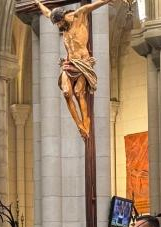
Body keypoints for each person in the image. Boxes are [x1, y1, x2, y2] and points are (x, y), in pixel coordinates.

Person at [35, 0, 113, 139]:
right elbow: (47, 13)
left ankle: (86, 121)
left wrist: (106, 1)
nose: (58, 26)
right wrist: (38, 3)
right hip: (69, 62)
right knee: (66, 92)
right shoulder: (60, 23)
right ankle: (79, 125)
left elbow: (91, 6)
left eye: (59, 23)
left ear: (63, 18)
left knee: (78, 92)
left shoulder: (78, 16)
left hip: (82, 63)